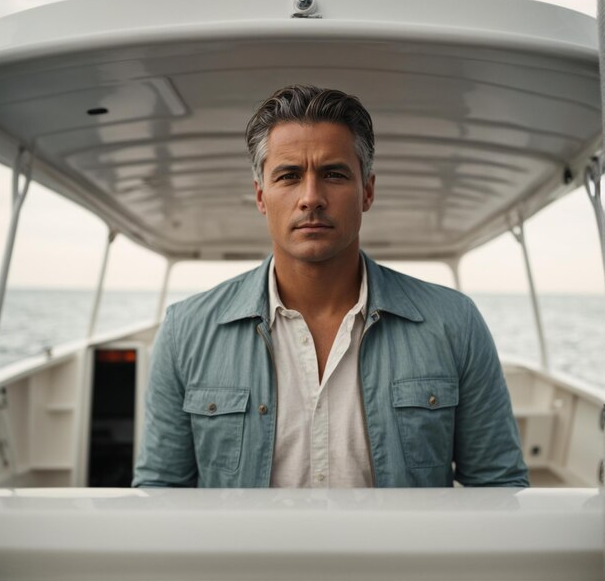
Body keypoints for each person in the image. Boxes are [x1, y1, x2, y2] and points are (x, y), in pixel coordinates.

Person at [133, 85, 529, 488]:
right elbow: (160, 491)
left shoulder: (453, 322)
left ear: (367, 191)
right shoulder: (187, 331)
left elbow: (498, 485)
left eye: (334, 174)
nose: (311, 198)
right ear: (261, 197)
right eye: (288, 176)